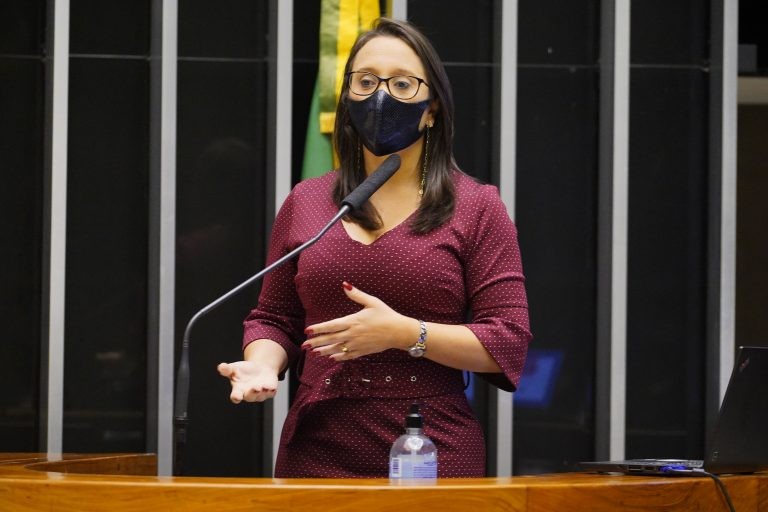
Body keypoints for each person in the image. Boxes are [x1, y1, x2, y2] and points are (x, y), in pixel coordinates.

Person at [217, 17, 532, 478]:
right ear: (346, 99)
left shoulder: (477, 207)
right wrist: (261, 365)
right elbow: (275, 318)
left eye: (403, 84)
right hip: (316, 445)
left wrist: (404, 333)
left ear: (432, 108)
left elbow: (508, 341)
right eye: (365, 82)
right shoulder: (307, 200)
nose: (380, 97)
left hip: (430, 448)